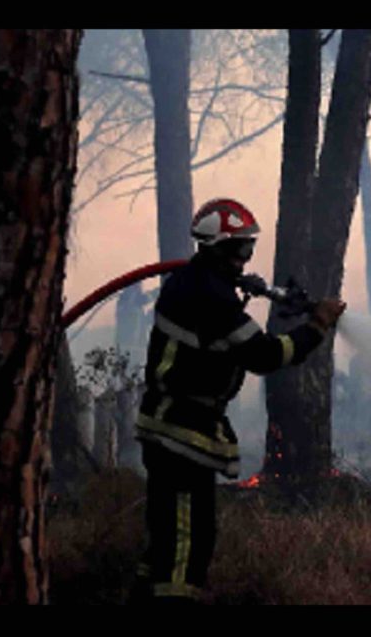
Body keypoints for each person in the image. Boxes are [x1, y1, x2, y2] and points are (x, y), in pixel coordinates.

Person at [132, 197, 345, 603]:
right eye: (242, 248)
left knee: (172, 535)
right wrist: (316, 326)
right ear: (220, 247)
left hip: (177, 429)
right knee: (184, 543)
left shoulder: (196, 281)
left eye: (250, 248)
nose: (246, 258)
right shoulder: (210, 296)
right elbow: (266, 355)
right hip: (178, 433)